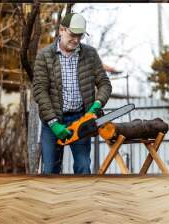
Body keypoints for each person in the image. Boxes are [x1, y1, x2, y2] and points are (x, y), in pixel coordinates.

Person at [33, 13, 112, 174]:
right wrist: (53, 122)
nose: (76, 40)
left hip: (81, 119)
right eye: (72, 34)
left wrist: (96, 105)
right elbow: (40, 91)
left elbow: (104, 83)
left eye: (80, 35)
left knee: (83, 167)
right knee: (50, 169)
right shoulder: (44, 56)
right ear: (61, 30)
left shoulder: (90, 54)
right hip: (53, 120)